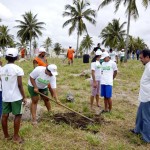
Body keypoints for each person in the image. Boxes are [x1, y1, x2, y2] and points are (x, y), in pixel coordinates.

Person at [0, 48, 26, 143]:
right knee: (18, 115)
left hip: (5, 96)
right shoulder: (18, 69)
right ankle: (15, 137)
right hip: (16, 97)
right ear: (16, 57)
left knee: (4, 115)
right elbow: (19, 85)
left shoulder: (2, 69)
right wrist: (24, 96)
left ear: (6, 57)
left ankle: (6, 136)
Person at [130, 49, 150, 143]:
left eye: (141, 58)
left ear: (147, 57)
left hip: (148, 97)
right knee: (140, 115)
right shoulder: (147, 66)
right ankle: (137, 130)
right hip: (144, 96)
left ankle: (146, 138)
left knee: (146, 117)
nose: (140, 59)